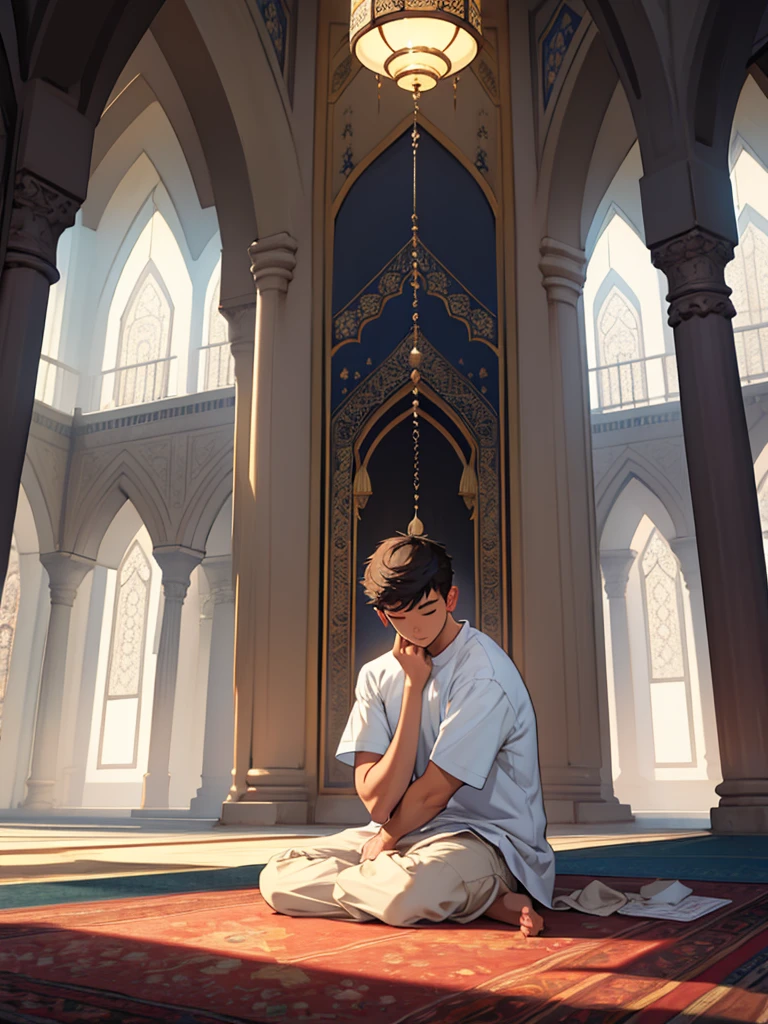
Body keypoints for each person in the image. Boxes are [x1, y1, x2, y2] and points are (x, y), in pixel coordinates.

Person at [258, 534, 556, 936]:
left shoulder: (484, 674)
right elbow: (379, 803)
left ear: (450, 599)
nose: (415, 627)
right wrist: (414, 690)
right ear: (383, 616)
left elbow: (435, 791)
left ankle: (470, 889)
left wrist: (387, 838)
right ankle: (475, 900)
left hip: (487, 840)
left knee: (406, 891)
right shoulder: (377, 676)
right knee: (277, 877)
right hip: (406, 830)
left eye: (427, 610)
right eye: (400, 616)